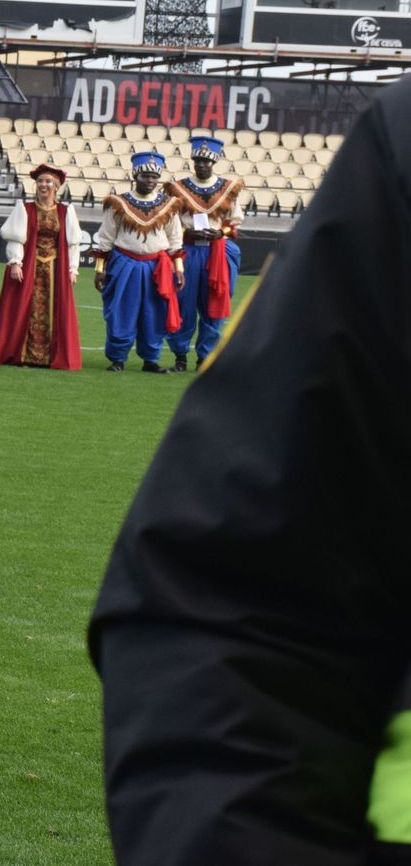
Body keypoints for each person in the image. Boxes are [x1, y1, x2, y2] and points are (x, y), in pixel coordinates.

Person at [88, 77, 411, 864]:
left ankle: (169, 353)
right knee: (157, 317)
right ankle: (145, 356)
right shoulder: (399, 153)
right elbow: (242, 597)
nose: (193, 165)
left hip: (201, 259)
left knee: (200, 313)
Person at [0, 163, 83, 369]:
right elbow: (16, 238)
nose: (43, 185)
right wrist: (15, 263)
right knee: (23, 307)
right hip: (29, 265)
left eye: (48, 182)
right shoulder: (25, 209)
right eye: (40, 181)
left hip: (55, 268)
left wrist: (72, 269)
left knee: (54, 309)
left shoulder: (66, 211)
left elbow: (72, 243)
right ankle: (22, 354)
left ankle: (49, 357)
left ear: (57, 186)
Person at [93, 152, 185, 372]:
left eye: (154, 176)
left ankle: (150, 359)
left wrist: (179, 269)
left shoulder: (169, 205)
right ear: (135, 176)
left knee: (154, 312)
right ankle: (118, 358)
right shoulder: (118, 203)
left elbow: (175, 238)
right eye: (145, 176)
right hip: (125, 263)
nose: (150, 180)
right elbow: (106, 237)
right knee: (121, 311)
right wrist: (100, 269)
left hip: (157, 266)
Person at [165, 136, 244, 372]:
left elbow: (234, 223)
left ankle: (205, 358)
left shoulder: (228, 188)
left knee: (214, 304)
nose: (201, 165)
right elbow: (170, 221)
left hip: (217, 251)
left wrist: (220, 232)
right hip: (188, 250)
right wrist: (186, 232)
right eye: (197, 161)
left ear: (213, 162)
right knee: (183, 303)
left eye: (206, 161)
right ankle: (180, 356)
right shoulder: (177, 188)